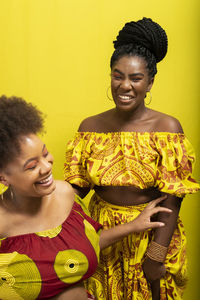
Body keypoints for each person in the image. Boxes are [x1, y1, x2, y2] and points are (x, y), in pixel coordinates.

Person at [64, 17, 200, 299]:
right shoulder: (89, 127)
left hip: (151, 234)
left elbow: (173, 199)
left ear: (150, 83)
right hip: (103, 237)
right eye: (118, 75)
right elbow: (76, 190)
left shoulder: (167, 129)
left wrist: (156, 254)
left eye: (136, 78)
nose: (125, 85)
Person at [0, 95, 172, 300]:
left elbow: (81, 244)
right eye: (31, 166)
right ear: (3, 177)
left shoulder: (64, 194)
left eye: (45, 155)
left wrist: (133, 226)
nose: (46, 168)